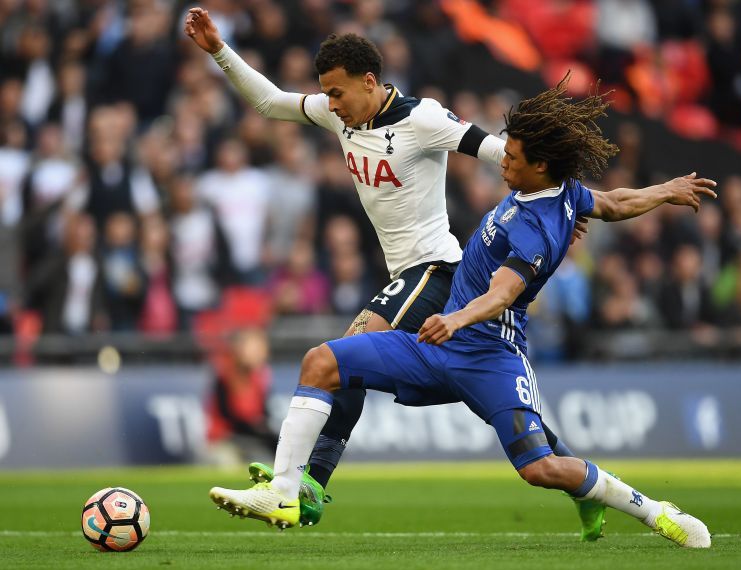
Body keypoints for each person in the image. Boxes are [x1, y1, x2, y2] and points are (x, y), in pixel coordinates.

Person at [208, 76, 717, 548]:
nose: (503, 162)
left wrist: (454, 318)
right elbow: (612, 203)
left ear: (539, 166)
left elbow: (502, 292)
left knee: (539, 466)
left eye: (512, 157)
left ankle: (651, 510)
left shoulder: (536, 228)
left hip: (490, 355)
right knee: (323, 362)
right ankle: (285, 491)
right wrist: (664, 193)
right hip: (436, 349)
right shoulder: (560, 192)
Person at [184, 7, 604, 539]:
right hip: (404, 275)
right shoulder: (341, 115)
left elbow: (505, 153)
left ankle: (305, 485)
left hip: (437, 269)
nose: (331, 105)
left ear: (370, 81)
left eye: (337, 93)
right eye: (325, 95)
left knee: (340, 354)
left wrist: (557, 200)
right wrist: (219, 50)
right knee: (472, 404)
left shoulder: (422, 120)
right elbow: (269, 102)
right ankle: (579, 484)